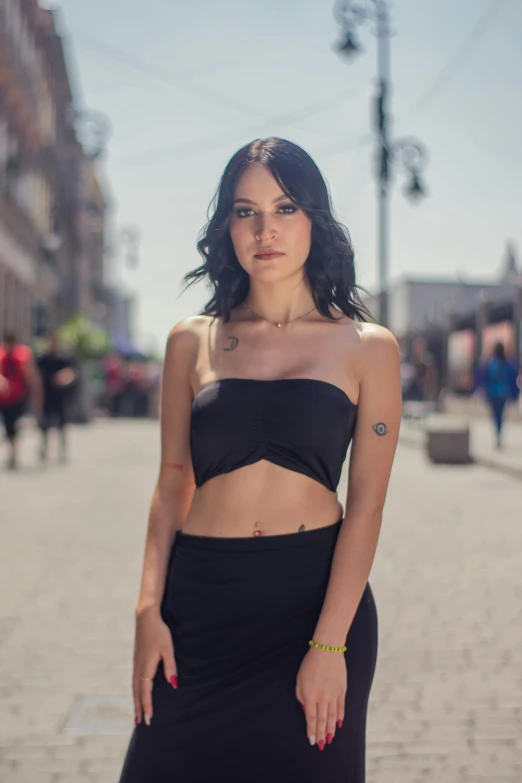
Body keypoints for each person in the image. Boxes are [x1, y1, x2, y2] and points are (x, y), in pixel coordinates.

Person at [118, 138, 402, 783]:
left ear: (314, 221)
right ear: (227, 227)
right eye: (245, 211)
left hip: (312, 605)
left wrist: (329, 645)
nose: (265, 229)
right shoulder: (192, 341)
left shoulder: (367, 348)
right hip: (200, 606)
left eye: (285, 207)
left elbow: (368, 504)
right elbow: (171, 482)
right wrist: (148, 609)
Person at [0, 331, 42, 470]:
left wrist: (36, 393)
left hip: (18, 397)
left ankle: (14, 452)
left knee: (15, 425)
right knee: (8, 425)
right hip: (3, 398)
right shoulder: (1, 355)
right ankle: (12, 452)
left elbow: (30, 375)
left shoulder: (23, 355)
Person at [36, 332, 77, 462]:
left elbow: (71, 374)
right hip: (47, 395)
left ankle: (62, 450)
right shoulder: (42, 359)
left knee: (62, 424)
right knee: (44, 424)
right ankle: (44, 448)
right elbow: (36, 376)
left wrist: (64, 378)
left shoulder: (63, 359)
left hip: (60, 396)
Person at [473, 341, 519, 448]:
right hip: (503, 393)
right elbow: (512, 380)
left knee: (495, 415)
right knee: (500, 415)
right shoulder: (508, 364)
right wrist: (514, 395)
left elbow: (484, 378)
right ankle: (499, 432)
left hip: (492, 393)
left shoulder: (490, 363)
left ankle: (497, 432)